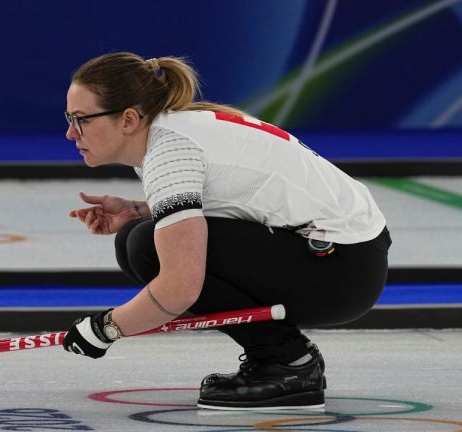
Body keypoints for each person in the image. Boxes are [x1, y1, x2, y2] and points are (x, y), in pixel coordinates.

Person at [60, 52, 391, 411]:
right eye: (69, 118)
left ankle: (289, 364)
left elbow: (179, 288)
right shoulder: (173, 130)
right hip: (348, 257)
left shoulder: (170, 152)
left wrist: (106, 328)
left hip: (343, 271)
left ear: (128, 119)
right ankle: (284, 358)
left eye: (81, 119)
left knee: (145, 246)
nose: (70, 133)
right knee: (136, 236)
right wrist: (137, 210)